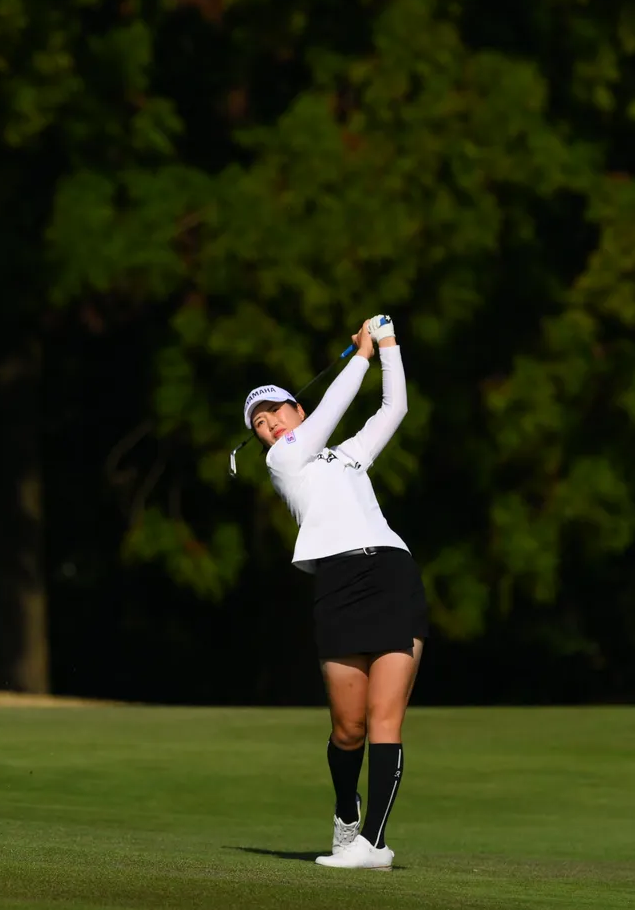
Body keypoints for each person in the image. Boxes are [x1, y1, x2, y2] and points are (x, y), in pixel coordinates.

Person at [241, 314, 427, 871]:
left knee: (385, 717)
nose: (270, 426)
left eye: (276, 413)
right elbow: (326, 417)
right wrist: (362, 356)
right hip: (339, 583)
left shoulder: (348, 456)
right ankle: (348, 812)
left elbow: (394, 409)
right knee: (348, 728)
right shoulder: (283, 460)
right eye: (259, 424)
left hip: (391, 572)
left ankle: (373, 843)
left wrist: (387, 344)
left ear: (295, 408)